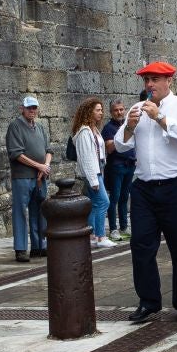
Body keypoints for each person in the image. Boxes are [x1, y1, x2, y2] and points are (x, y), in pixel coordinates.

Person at [113, 61, 177, 322]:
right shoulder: (136, 108)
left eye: (154, 79)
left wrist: (159, 117)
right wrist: (129, 126)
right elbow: (119, 146)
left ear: (169, 81)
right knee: (140, 245)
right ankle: (149, 301)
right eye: (146, 80)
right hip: (144, 188)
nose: (149, 85)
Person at [5, 96, 51, 263]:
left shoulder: (39, 127)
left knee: (40, 211)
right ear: (22, 109)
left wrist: (45, 165)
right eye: (29, 108)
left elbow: (48, 150)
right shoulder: (15, 126)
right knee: (21, 212)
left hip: (40, 176)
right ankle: (21, 249)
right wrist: (39, 166)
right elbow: (16, 153)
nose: (32, 110)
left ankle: (39, 246)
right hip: (22, 176)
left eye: (34, 108)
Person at [69, 97, 113, 249]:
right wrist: (93, 179)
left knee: (95, 204)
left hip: (98, 169)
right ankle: (101, 236)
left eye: (101, 110)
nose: (101, 113)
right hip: (93, 172)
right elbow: (87, 157)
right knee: (103, 202)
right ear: (89, 112)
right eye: (98, 110)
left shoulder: (93, 129)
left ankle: (92, 235)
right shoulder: (84, 131)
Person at [102, 99, 134, 242]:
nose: (119, 112)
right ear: (111, 112)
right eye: (116, 110)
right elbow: (109, 147)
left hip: (130, 165)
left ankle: (124, 227)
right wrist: (122, 136)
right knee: (114, 197)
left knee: (124, 197)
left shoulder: (129, 125)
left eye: (121, 109)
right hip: (116, 166)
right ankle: (113, 229)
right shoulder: (108, 128)